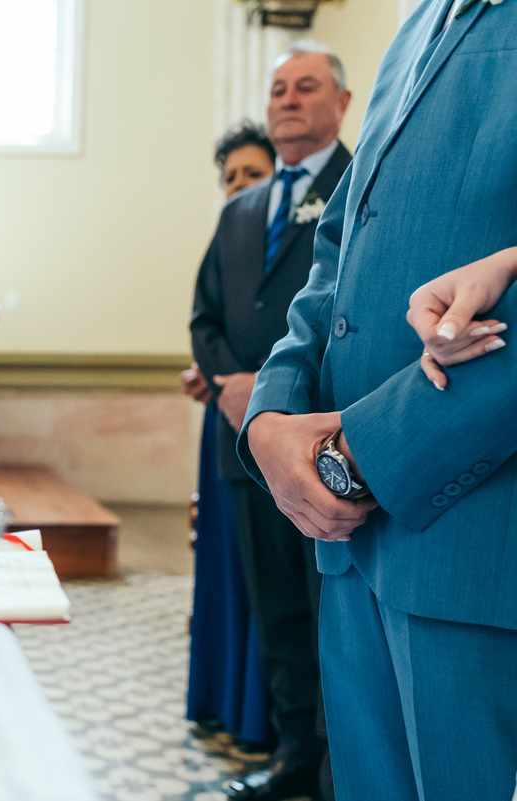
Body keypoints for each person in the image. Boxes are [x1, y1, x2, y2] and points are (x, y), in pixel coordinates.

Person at [239, 1, 517, 798]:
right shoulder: (419, 22)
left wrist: (363, 455)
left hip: (475, 545)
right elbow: (337, 251)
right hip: (355, 556)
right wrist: (273, 417)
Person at [190, 41, 352, 801]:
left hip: (325, 442)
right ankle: (295, 758)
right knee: (278, 608)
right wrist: (231, 385)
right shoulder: (241, 209)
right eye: (278, 87)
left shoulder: (362, 186)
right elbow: (207, 314)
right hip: (243, 443)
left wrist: (273, 388)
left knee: (334, 617)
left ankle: (339, 770)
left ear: (342, 103)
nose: (287, 99)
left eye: (306, 86)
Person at [184, 121, 274, 753]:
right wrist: (218, 379)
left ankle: (263, 718)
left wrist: (256, 385)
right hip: (225, 420)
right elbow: (206, 318)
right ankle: (220, 702)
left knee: (265, 579)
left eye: (253, 173)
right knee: (223, 570)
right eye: (230, 178)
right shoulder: (229, 233)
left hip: (280, 424)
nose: (239, 186)